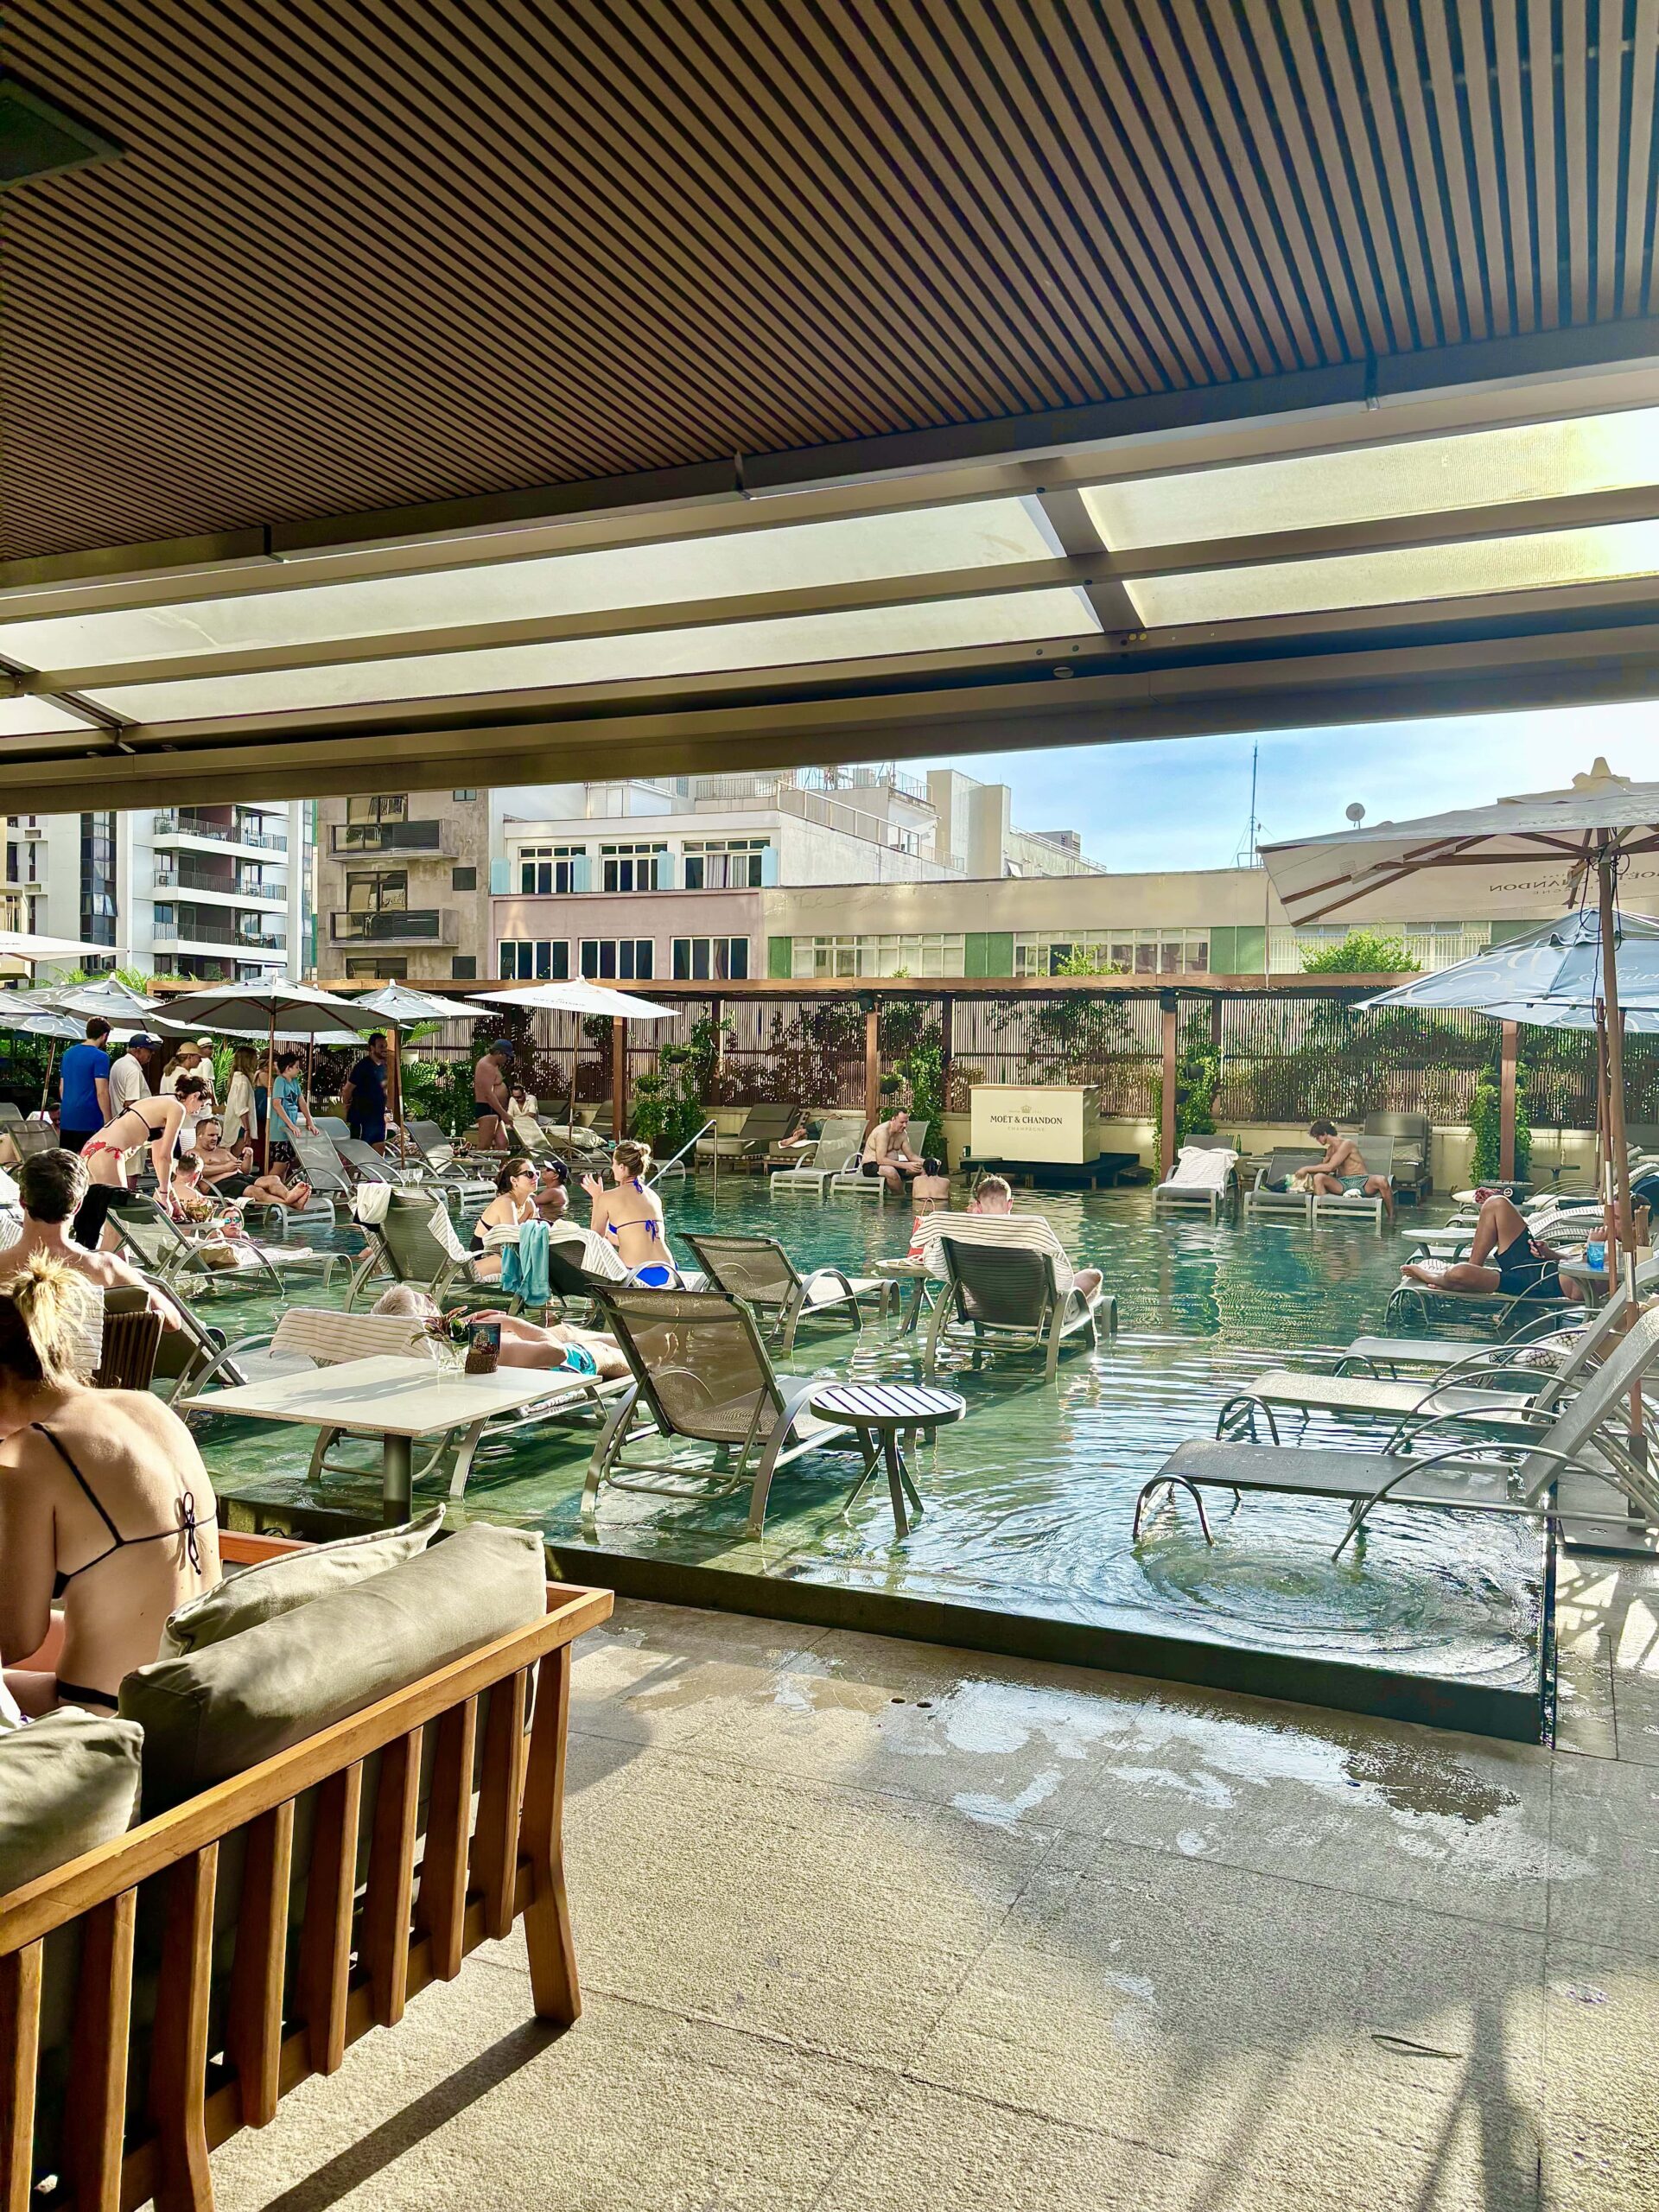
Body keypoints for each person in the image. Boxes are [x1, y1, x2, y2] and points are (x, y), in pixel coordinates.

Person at [0, 1253, 219, 1714]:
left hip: (109, 1715)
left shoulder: (35, 1451)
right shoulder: (148, 1407)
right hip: (191, 1695)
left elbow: (14, 1639)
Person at [0, 1149, 177, 1329]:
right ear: (77, 1206)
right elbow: (173, 1322)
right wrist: (138, 1279)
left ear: (22, 1200)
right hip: (92, 1348)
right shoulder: (106, 1268)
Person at [372, 1283, 629, 1380]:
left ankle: (639, 1341)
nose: (432, 1298)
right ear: (425, 1322)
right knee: (599, 1350)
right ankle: (645, 1360)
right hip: (547, 1374)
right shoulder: (474, 1347)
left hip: (510, 1363)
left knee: (566, 1330)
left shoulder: (405, 1356)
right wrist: (510, 1323)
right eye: (426, 1300)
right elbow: (556, 1353)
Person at [914, 1173, 1103, 1303]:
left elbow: (934, 1261)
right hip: (1034, 1310)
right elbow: (1062, 1280)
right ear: (1010, 1203)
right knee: (1094, 1275)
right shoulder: (1031, 1231)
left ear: (978, 1206)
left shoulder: (962, 1236)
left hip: (985, 1307)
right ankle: (1074, 1316)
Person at [1399, 1191, 1583, 1302]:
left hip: (1535, 1283)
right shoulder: (1600, 1238)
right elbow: (1572, 1261)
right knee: (1496, 1204)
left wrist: (1594, 1247)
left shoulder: (1605, 1256)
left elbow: (1578, 1292)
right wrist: (1552, 1254)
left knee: (1459, 1272)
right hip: (1542, 1263)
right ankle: (1473, 1271)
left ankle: (1440, 1278)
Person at [582, 1139, 677, 1284]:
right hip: (669, 1271)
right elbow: (636, 1238)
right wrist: (610, 1236)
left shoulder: (607, 1197)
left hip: (637, 1274)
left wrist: (597, 1197)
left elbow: (596, 1236)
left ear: (622, 1167)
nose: (612, 1167)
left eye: (613, 1163)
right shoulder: (653, 1196)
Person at [194, 1117, 313, 1211]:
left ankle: (288, 1197)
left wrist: (249, 1156)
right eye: (211, 1135)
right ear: (200, 1135)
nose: (215, 1138)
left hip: (239, 1178)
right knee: (255, 1191)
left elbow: (245, 1171)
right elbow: (196, 1171)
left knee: (273, 1179)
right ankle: (291, 1203)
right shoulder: (193, 1153)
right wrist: (225, 1168)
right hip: (219, 1185)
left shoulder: (222, 1152)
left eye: (217, 1135)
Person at [1304, 1120, 1395, 1222]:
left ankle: (1391, 1217)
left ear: (1325, 1134)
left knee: (1381, 1180)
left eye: (1317, 1137)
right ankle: (1324, 1218)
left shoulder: (1347, 1144)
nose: (1317, 1140)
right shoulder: (1330, 1150)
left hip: (1362, 1181)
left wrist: (1305, 1169)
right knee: (1319, 1178)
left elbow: (1330, 1167)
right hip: (1343, 1184)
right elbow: (1325, 1171)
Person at [468, 1157, 539, 1277]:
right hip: (481, 1260)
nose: (536, 1177)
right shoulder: (505, 1202)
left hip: (502, 1257)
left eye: (537, 1173)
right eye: (530, 1174)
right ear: (514, 1180)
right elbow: (514, 1240)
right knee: (519, 1262)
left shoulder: (529, 1204)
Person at [58, 1018, 112, 1155]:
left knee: (67, 1160)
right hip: (90, 1118)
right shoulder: (101, 1057)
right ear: (104, 1035)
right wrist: (108, 1120)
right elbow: (102, 1092)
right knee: (91, 1160)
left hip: (68, 1116)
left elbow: (62, 1088)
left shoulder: (68, 1054)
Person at [861, 1108, 925, 1194]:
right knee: (890, 1171)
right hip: (871, 1166)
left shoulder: (902, 1134)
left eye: (906, 1122)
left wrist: (928, 1162)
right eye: (902, 1122)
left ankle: (921, 1197)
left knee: (920, 1169)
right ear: (893, 1119)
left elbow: (911, 1156)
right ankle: (901, 1198)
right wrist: (906, 1165)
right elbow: (881, 1160)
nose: (905, 1125)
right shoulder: (882, 1132)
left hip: (893, 1165)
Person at [269, 1051, 315, 1167]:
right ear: (288, 1068)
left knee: (286, 1166)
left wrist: (309, 1120)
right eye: (297, 1067)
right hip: (280, 1132)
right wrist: (291, 1125)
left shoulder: (294, 1081)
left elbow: (301, 1101)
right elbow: (276, 1104)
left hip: (290, 1132)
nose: (299, 1070)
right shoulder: (280, 1081)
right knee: (279, 1166)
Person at [107, 1031, 158, 1121]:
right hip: (130, 1123)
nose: (152, 1053)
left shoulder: (118, 1063)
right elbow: (130, 1104)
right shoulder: (133, 1070)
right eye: (149, 1050)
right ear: (138, 1050)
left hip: (117, 1120)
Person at [474, 1039, 513, 1149]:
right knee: (484, 1145)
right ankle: (475, 1161)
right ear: (499, 1053)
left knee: (502, 1143)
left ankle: (497, 1162)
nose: (507, 1059)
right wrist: (503, 1114)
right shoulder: (486, 1066)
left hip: (495, 1108)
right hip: (487, 1107)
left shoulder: (494, 1064)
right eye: (506, 1056)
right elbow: (488, 1094)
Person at [161, 1039, 217, 1110]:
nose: (200, 1060)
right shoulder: (185, 1076)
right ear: (189, 1057)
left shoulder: (168, 1072)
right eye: (199, 1057)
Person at [221, 1046, 259, 1150]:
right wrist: (247, 1129)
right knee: (236, 1156)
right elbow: (241, 1108)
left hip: (238, 1124)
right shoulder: (242, 1080)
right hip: (240, 1126)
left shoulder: (238, 1077)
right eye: (255, 1058)